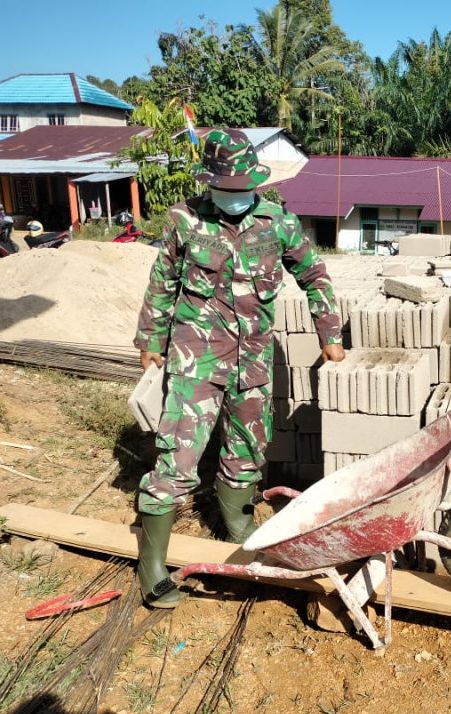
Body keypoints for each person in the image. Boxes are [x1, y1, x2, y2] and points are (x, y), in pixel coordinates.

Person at [133, 128, 345, 608]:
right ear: (210, 183)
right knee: (178, 455)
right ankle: (152, 565)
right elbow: (162, 282)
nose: (236, 198)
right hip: (196, 355)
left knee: (249, 443)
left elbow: (315, 275)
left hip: (252, 356)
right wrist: (150, 339)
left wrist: (329, 334)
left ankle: (239, 522)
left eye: (243, 188)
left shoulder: (277, 222)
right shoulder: (184, 221)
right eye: (226, 190)